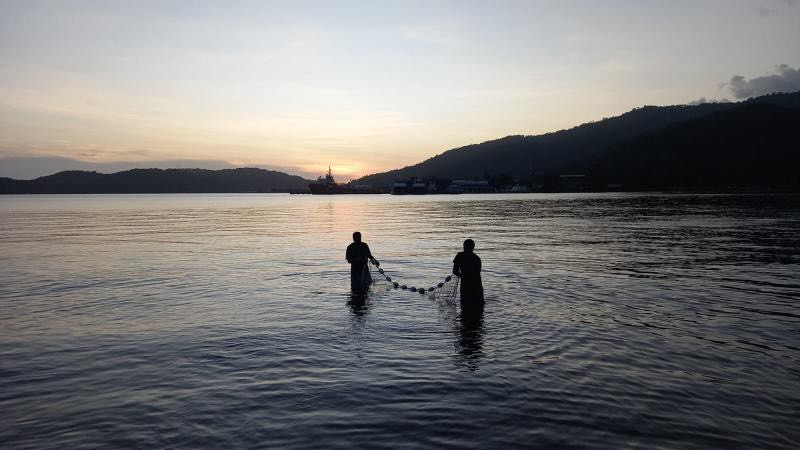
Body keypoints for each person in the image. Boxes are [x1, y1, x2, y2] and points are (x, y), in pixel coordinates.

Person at [453, 239, 484, 310]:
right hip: (477, 287)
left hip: (466, 286)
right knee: (478, 308)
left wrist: (462, 275)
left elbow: (455, 271)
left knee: (465, 308)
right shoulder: (477, 258)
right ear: (473, 247)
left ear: (464, 246)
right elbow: (477, 273)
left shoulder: (459, 256)